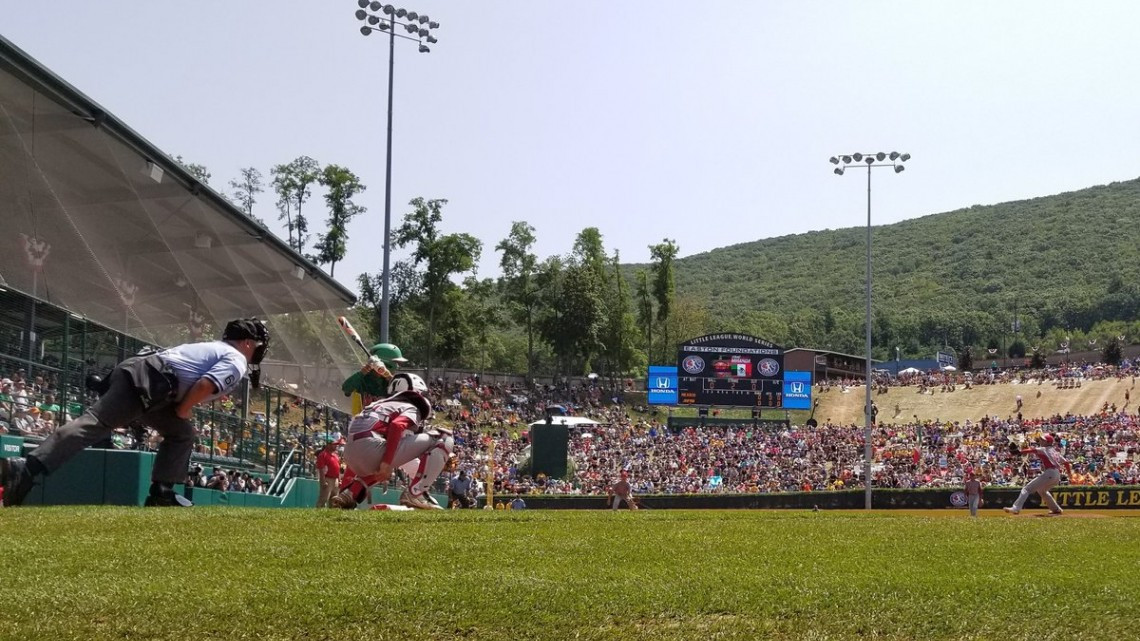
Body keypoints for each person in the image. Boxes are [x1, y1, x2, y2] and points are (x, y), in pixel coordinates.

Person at [0, 318, 270, 507]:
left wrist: (181, 411)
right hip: (148, 382)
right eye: (258, 344)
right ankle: (25, 468)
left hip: (150, 382)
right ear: (247, 342)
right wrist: (184, 409)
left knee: (182, 433)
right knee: (94, 424)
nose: (259, 349)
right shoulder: (236, 358)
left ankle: (162, 493)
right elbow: (205, 384)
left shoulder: (216, 348)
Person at [329, 373, 455, 510]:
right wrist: (386, 463)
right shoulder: (410, 406)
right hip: (371, 449)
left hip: (350, 454)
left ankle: (349, 494)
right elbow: (397, 426)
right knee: (444, 437)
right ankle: (415, 494)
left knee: (386, 457)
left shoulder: (379, 404)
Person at [1004, 433, 1071, 516]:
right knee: (1042, 491)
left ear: (1048, 442)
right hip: (1057, 475)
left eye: (1043, 440)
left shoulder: (1043, 449)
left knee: (1026, 489)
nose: (1040, 441)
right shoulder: (1055, 452)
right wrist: (1069, 474)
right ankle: (1056, 509)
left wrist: (1017, 452)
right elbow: (1066, 463)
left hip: (1050, 473)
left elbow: (1030, 450)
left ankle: (1016, 508)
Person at [341, 343, 408, 415]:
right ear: (387, 363)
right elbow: (346, 389)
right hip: (362, 420)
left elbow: (406, 396)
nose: (397, 366)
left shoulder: (390, 381)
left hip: (386, 421)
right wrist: (362, 372)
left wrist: (388, 376)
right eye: (396, 363)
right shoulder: (362, 378)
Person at [315, 438, 344, 507]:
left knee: (334, 500)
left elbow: (338, 468)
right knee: (324, 499)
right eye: (334, 444)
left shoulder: (335, 455)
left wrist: (339, 480)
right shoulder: (323, 455)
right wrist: (323, 481)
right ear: (328, 445)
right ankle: (318, 511)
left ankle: (332, 513)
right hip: (327, 479)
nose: (336, 446)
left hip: (335, 480)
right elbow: (321, 469)